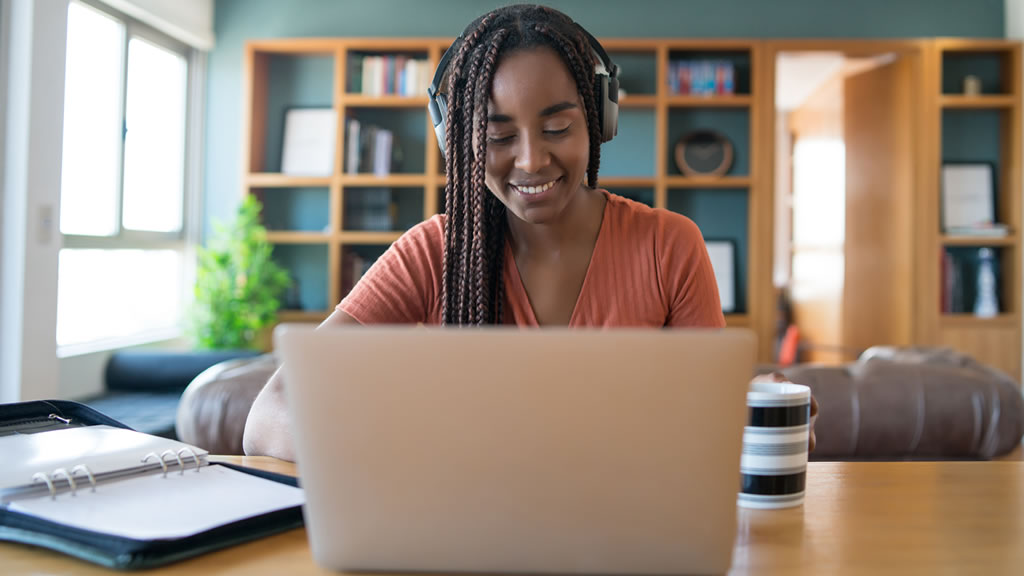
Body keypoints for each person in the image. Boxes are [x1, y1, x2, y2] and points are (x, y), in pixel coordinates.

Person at [244, 4, 813, 460]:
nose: (531, 160)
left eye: (558, 126)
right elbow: (270, 414)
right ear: (459, 142)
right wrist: (407, 453)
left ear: (600, 121)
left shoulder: (669, 245)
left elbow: (705, 431)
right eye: (498, 136)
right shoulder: (433, 252)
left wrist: (754, 431)